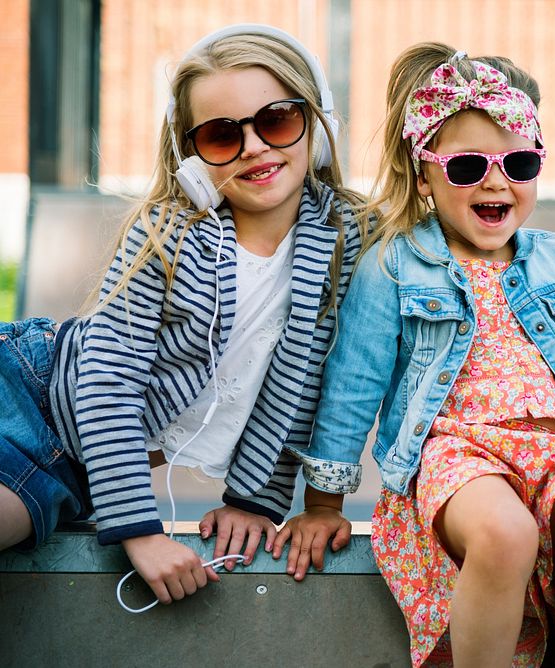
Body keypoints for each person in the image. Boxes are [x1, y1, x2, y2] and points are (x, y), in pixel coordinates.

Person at [274, 43, 555, 667]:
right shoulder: (396, 264)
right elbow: (352, 387)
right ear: (424, 171)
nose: (495, 180)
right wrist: (323, 505)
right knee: (503, 532)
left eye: (517, 161)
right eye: (466, 167)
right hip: (457, 455)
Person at [0, 23, 368, 607]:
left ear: (319, 129)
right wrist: (140, 530)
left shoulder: (345, 245)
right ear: (192, 156)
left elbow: (304, 388)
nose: (254, 147)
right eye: (223, 136)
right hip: (27, 390)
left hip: (73, 471)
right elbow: (106, 379)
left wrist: (254, 501)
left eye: (276, 120)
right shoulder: (169, 235)